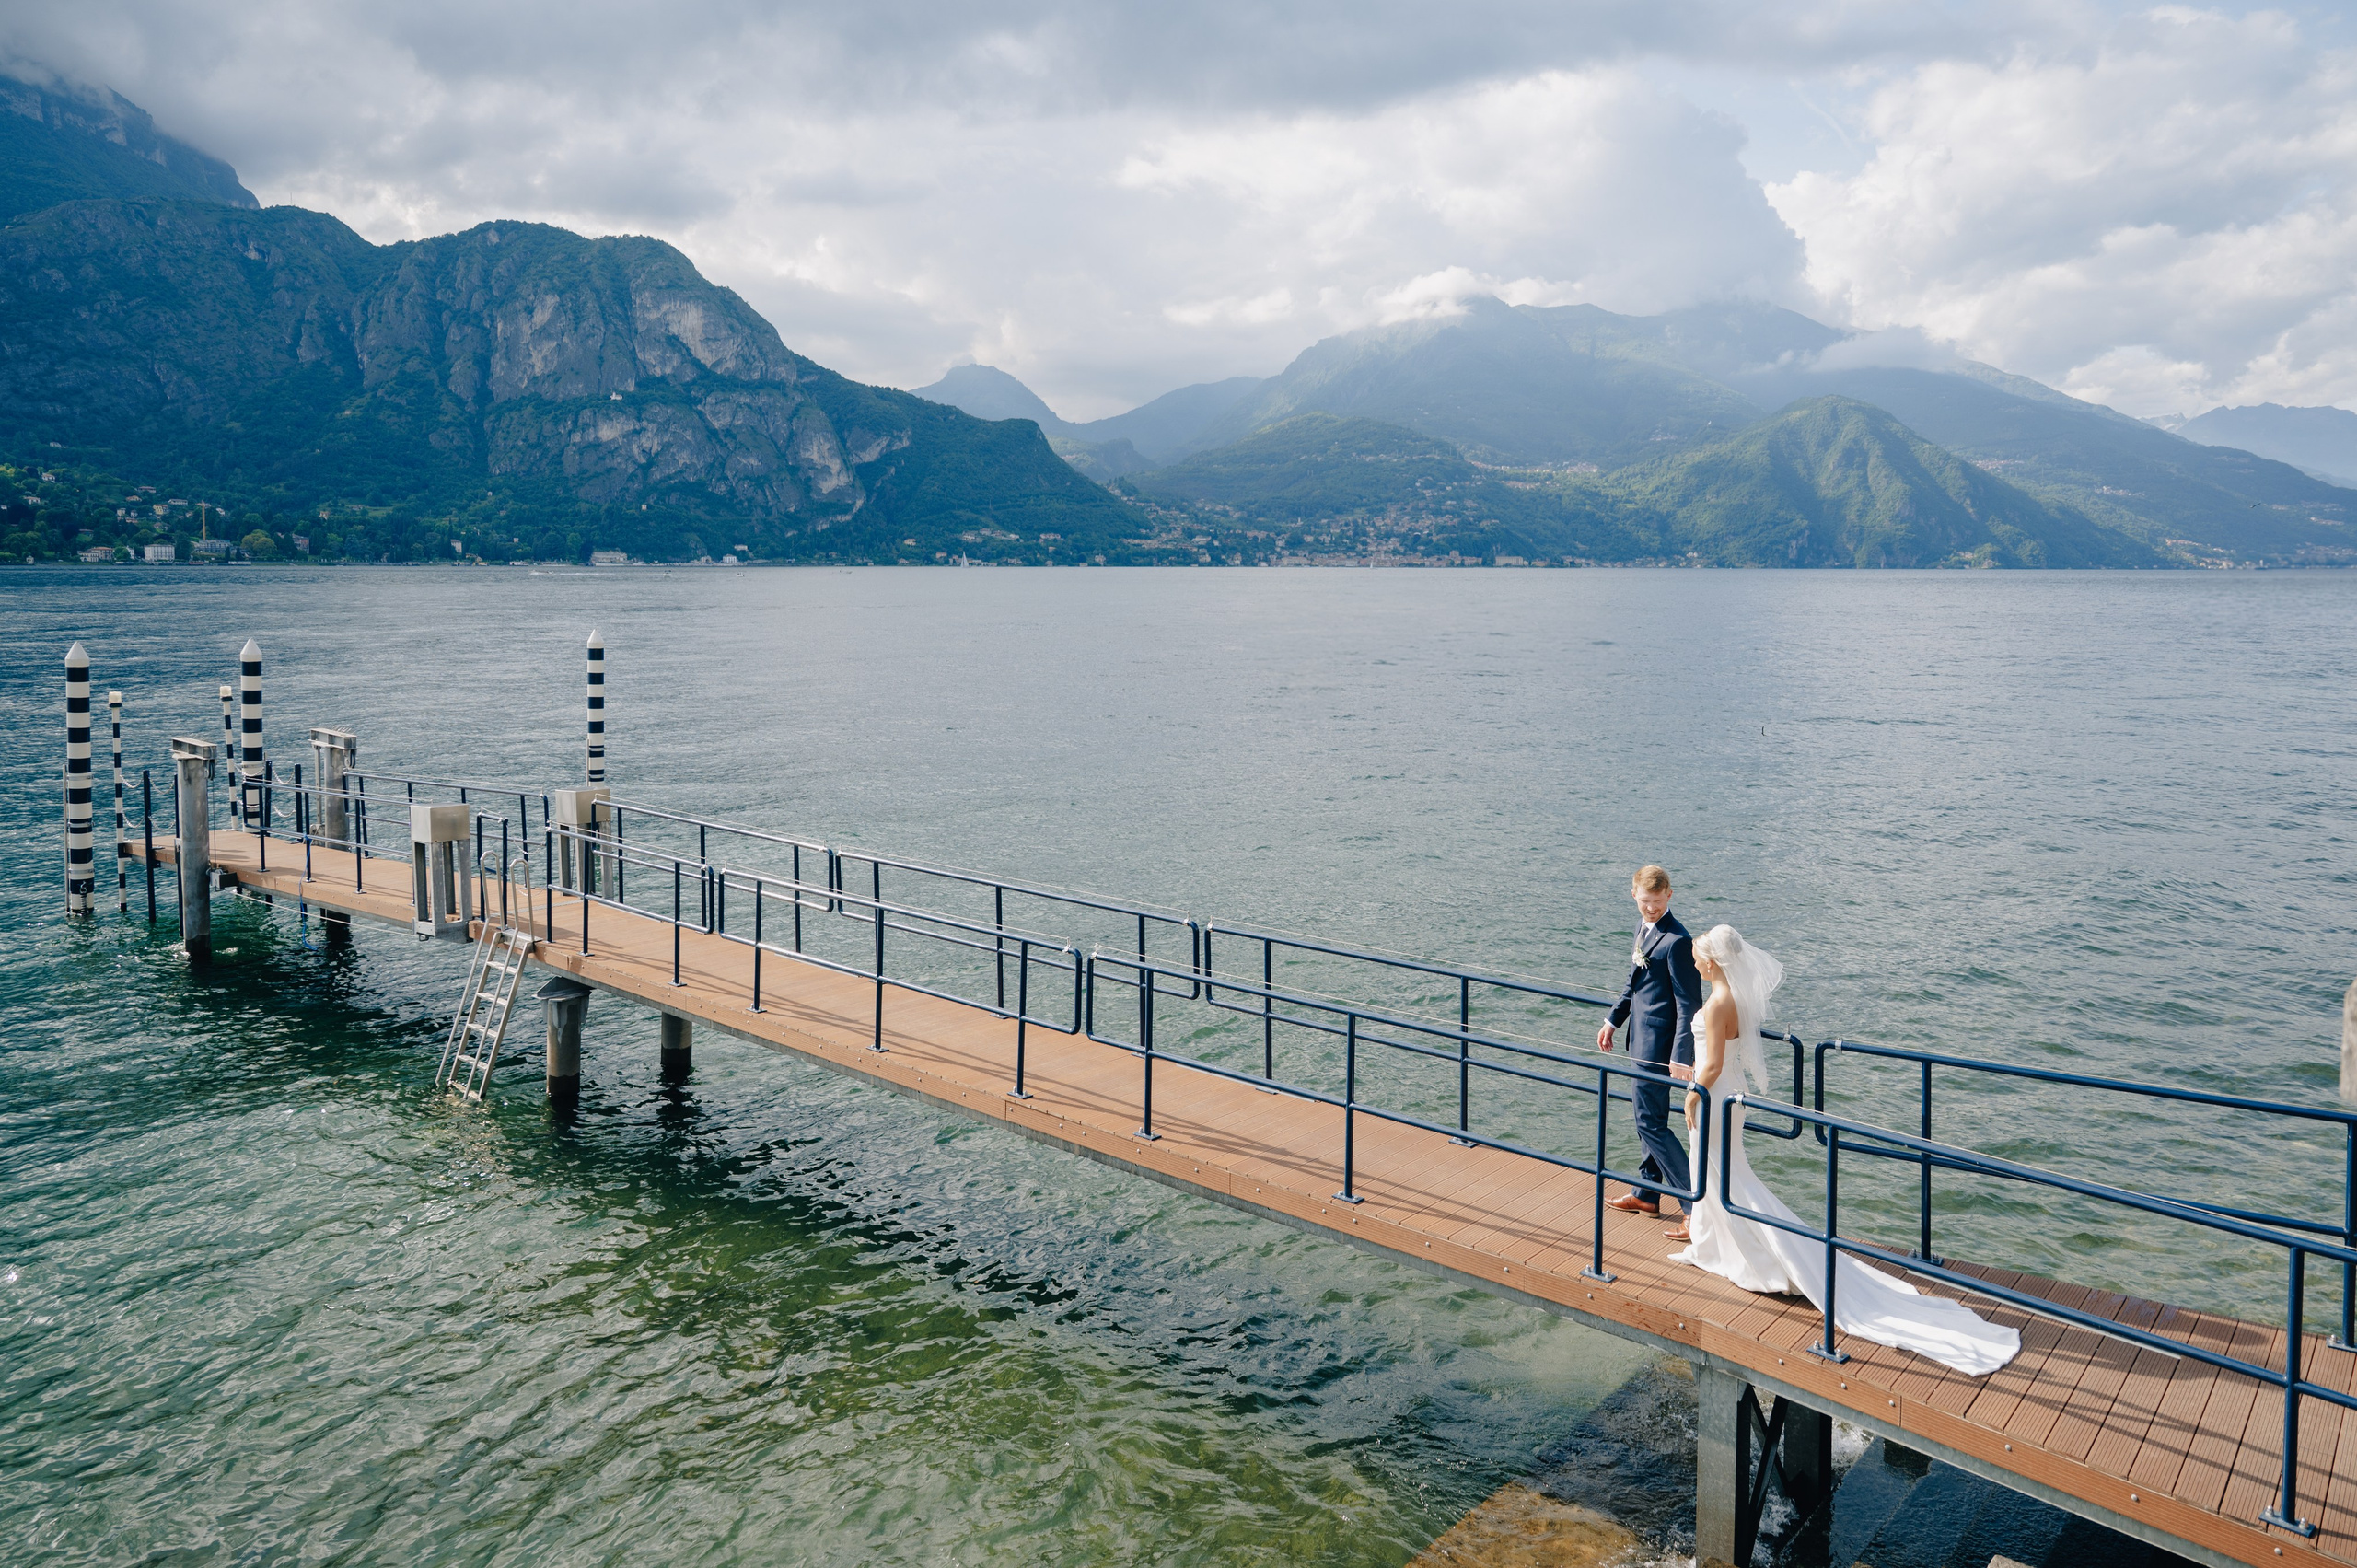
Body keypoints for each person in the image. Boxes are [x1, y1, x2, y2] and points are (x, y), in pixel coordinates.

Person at [1671, 923, 2020, 1376]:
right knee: (1723, 1172)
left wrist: (1693, 1092)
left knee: (1720, 1172)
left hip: (1715, 1092)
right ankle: (1716, 1243)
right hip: (1732, 1093)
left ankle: (1753, 1256)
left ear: (1712, 961)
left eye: (1698, 957)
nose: (1695, 963)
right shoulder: (1735, 998)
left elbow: (1714, 1062)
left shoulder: (1719, 1002)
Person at [1596, 865, 1701, 1218]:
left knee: (1650, 1123)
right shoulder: (1643, 927)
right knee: (1648, 1118)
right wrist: (1613, 1020)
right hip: (1638, 1040)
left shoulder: (1678, 940)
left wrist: (1682, 1055)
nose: (1651, 908)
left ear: (1669, 895)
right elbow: (1634, 983)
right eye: (1644, 902)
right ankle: (1646, 1193)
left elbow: (1689, 1004)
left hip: (1660, 1049)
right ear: (1634, 895)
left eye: (1657, 901)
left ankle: (1695, 1206)